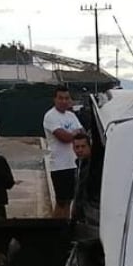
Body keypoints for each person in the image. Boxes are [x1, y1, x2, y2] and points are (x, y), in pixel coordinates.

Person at [43, 88, 84, 218]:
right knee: (61, 202)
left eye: (67, 98)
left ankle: (64, 227)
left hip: (73, 164)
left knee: (69, 201)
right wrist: (74, 133)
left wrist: (73, 134)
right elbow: (64, 137)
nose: (64, 101)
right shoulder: (50, 116)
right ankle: (56, 229)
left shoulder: (71, 116)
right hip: (60, 166)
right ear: (55, 99)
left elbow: (82, 133)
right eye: (61, 98)